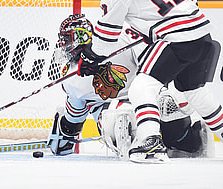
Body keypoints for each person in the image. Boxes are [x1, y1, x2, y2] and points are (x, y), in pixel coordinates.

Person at [78, 0, 223, 163]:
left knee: (142, 86)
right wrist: (153, 27)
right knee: (194, 91)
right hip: (202, 34)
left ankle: (151, 143)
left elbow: (105, 40)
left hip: (179, 39)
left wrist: (89, 59)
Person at [48, 14, 214, 159]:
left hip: (143, 98)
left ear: (82, 37)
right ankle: (139, 144)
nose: (64, 45)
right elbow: (73, 120)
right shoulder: (71, 77)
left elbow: (152, 68)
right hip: (111, 112)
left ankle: (190, 138)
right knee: (116, 117)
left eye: (67, 39)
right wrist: (66, 130)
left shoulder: (121, 38)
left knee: (167, 109)